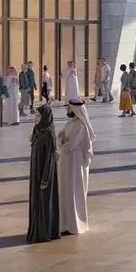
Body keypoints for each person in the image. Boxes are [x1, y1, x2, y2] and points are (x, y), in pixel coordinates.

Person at [57, 99, 95, 235]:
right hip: (66, 162)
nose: (67, 110)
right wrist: (61, 141)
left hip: (75, 164)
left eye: (69, 108)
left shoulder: (80, 126)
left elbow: (70, 144)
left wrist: (62, 142)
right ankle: (65, 223)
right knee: (66, 191)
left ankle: (75, 224)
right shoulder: (70, 123)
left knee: (74, 192)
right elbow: (60, 137)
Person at [27, 104, 60, 243]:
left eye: (39, 115)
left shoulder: (48, 134)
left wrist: (45, 179)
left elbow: (50, 158)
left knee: (44, 202)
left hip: (44, 174)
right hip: (35, 171)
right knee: (36, 201)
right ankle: (36, 230)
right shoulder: (37, 130)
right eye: (35, 115)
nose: (36, 118)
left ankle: (45, 231)